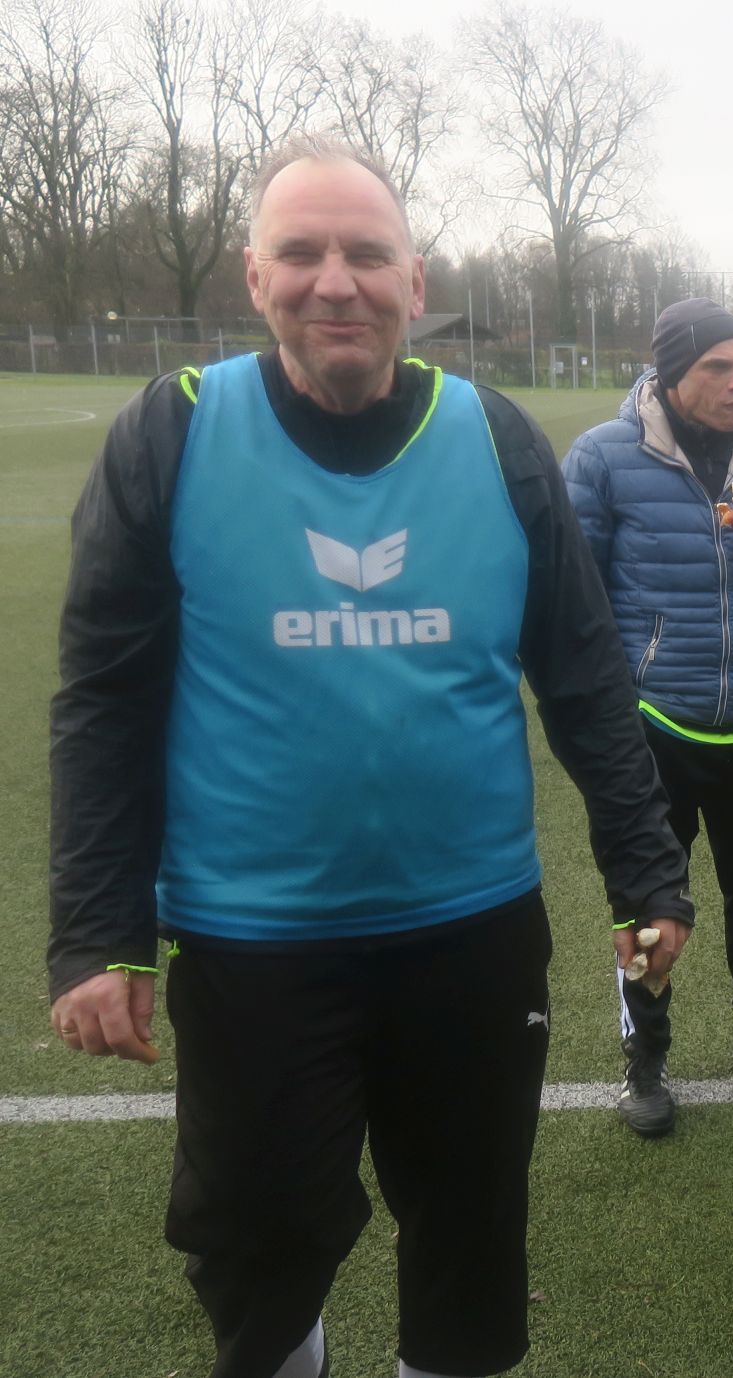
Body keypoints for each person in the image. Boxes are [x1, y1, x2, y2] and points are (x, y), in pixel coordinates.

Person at [45, 135, 693, 1378]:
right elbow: (105, 702)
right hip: (251, 943)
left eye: (366, 253)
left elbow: (583, 676)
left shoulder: (494, 437)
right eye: (301, 252)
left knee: (468, 1234)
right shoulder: (174, 432)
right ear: (255, 277)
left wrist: (647, 874)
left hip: (471, 932)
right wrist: (95, 935)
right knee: (252, 1243)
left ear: (415, 280)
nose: (334, 280)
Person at [562, 299, 733, 1137]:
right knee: (648, 900)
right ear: (674, 372)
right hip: (657, 726)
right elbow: (575, 592)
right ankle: (645, 1057)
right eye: (719, 367)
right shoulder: (604, 458)